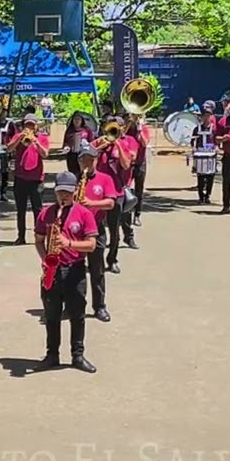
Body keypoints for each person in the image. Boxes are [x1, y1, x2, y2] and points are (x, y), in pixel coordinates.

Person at [34, 171, 99, 373]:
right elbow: (38, 239)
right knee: (52, 315)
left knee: (77, 314)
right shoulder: (46, 213)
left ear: (74, 193)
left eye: (68, 193)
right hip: (52, 269)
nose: (64, 197)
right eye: (61, 192)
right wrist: (46, 258)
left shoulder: (84, 213)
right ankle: (52, 354)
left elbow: (92, 245)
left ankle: (77, 355)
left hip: (75, 269)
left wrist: (68, 243)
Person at [76, 145, 117, 322]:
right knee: (74, 271)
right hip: (75, 230)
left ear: (96, 160)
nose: (86, 163)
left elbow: (111, 203)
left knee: (97, 270)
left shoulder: (105, 179)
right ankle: (75, 305)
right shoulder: (73, 179)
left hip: (95, 229)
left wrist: (91, 204)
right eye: (83, 159)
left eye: (90, 160)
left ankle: (99, 306)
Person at [96, 115, 137, 270]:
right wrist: (101, 146)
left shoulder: (124, 144)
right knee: (95, 227)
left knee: (114, 229)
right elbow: (86, 157)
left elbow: (126, 165)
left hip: (115, 192)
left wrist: (118, 145)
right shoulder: (100, 142)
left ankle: (112, 259)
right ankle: (95, 258)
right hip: (98, 191)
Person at [9, 115, 51, 245]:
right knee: (20, 209)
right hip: (20, 178)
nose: (29, 128)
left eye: (32, 125)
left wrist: (36, 142)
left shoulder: (42, 138)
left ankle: (39, 235)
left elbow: (45, 154)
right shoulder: (18, 136)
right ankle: (20, 236)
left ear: (37, 126)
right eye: (27, 125)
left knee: (37, 210)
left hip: (36, 179)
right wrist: (20, 138)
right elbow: (9, 148)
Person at [125, 113, 152, 228]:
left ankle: (137, 215)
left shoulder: (144, 129)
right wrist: (129, 124)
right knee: (126, 188)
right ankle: (126, 214)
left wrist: (140, 129)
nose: (136, 118)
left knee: (139, 190)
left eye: (138, 116)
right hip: (128, 163)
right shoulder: (127, 127)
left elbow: (145, 143)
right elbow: (120, 136)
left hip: (140, 163)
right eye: (134, 115)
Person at [191, 108, 217, 204]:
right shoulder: (197, 128)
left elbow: (217, 139)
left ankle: (208, 196)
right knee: (200, 176)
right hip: (200, 154)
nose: (206, 118)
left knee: (210, 176)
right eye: (204, 116)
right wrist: (193, 149)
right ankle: (201, 196)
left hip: (211, 154)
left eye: (208, 115)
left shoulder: (214, 128)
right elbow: (192, 141)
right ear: (201, 117)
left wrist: (216, 147)